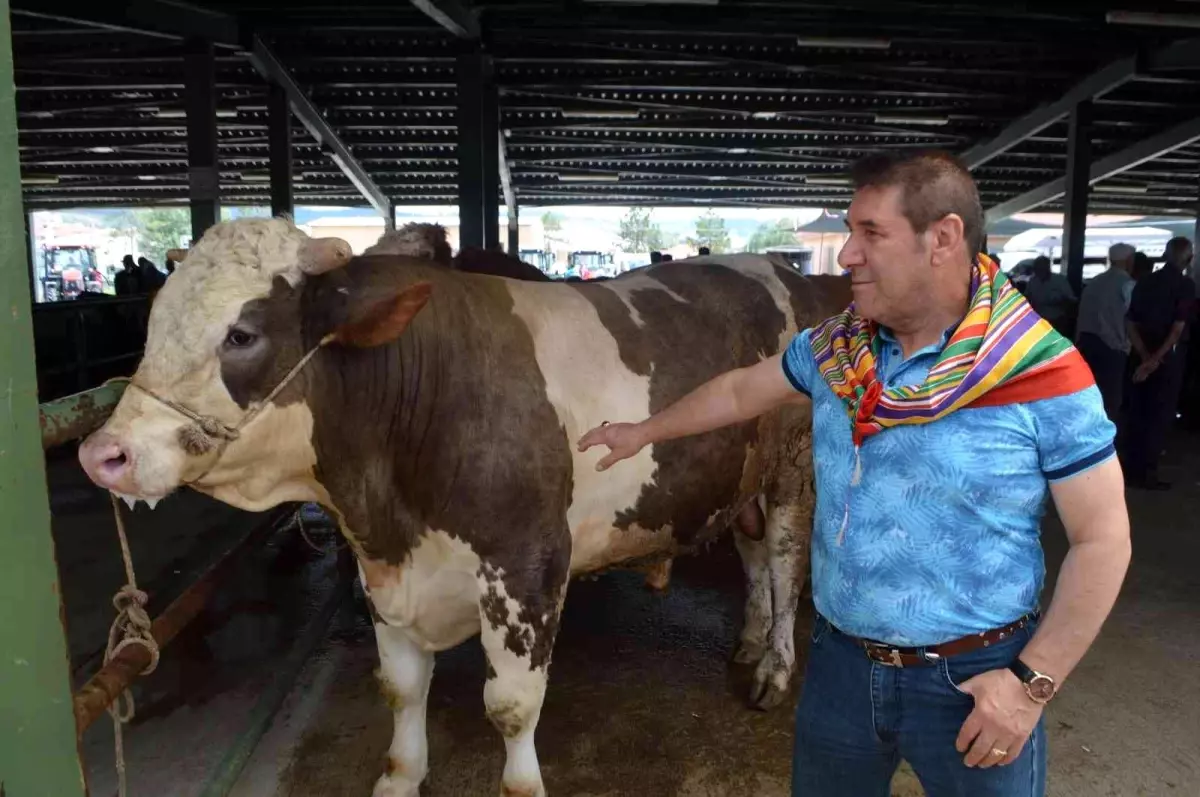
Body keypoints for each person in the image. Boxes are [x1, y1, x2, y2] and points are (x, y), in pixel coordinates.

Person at [579, 151, 1130, 797]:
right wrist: (641, 430)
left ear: (943, 239)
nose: (845, 255)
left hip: (976, 679)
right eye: (849, 230)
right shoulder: (838, 349)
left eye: (872, 233)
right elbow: (737, 393)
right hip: (843, 664)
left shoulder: (1041, 374)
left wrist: (1032, 683)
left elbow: (1102, 539)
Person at [1125, 235, 1196, 489]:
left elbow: (1130, 322)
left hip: (1140, 354)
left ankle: (1131, 469)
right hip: (1167, 359)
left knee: (1138, 411)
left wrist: (1144, 356)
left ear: (1165, 255)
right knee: (1160, 414)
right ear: (1189, 259)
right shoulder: (1185, 285)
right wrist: (1156, 359)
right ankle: (1148, 472)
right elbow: (1177, 329)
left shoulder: (1144, 282)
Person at [1075, 243, 1135, 421]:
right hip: (1113, 347)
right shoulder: (1127, 284)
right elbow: (1132, 319)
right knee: (1110, 399)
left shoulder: (1094, 282)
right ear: (1129, 260)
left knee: (1088, 395)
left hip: (1086, 344)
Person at [1023, 255, 1076, 337]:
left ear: (1048, 267)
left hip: (1057, 321)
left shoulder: (1060, 280)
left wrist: (1061, 303)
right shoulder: (1032, 281)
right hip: (1038, 321)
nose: (1039, 271)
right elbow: (1027, 298)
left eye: (1042, 268)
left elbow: (1071, 300)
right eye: (1037, 268)